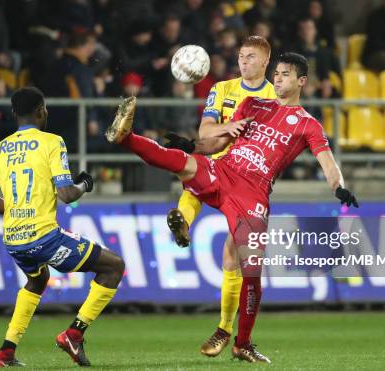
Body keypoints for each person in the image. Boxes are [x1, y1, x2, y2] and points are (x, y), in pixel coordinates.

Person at [106, 52, 358, 363]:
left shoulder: (308, 125)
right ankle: (126, 138)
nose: (277, 78)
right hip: (224, 170)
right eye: (276, 73)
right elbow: (217, 143)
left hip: (252, 194)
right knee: (182, 163)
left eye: (285, 74)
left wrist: (340, 187)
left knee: (250, 270)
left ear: (301, 81)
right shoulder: (254, 106)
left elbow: (328, 162)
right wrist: (191, 146)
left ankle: (243, 343)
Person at [0, 87, 125, 368]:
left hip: (13, 239)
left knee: (37, 279)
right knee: (114, 266)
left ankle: (5, 352)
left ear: (14, 114)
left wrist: (14, 208)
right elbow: (67, 194)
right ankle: (74, 334)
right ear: (42, 111)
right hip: (44, 237)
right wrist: (85, 184)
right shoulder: (51, 142)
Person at [166, 35, 276, 358]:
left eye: (251, 57)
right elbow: (205, 132)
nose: (243, 61)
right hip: (216, 167)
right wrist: (231, 128)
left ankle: (225, 329)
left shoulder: (275, 97)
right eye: (241, 56)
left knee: (233, 256)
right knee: (193, 179)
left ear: (265, 61)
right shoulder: (222, 90)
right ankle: (181, 223)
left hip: (247, 183)